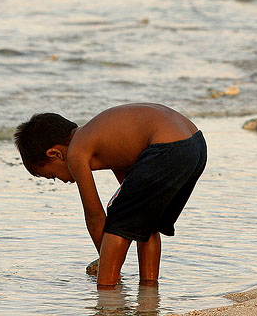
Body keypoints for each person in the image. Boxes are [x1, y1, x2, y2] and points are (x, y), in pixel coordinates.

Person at [14, 103, 206, 289]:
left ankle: (107, 292)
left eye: (53, 175)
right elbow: (134, 198)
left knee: (118, 219)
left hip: (168, 148)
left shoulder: (76, 152)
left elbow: (95, 217)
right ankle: (149, 287)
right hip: (195, 144)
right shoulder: (101, 135)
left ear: (55, 154)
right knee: (146, 221)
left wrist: (107, 262)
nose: (61, 180)